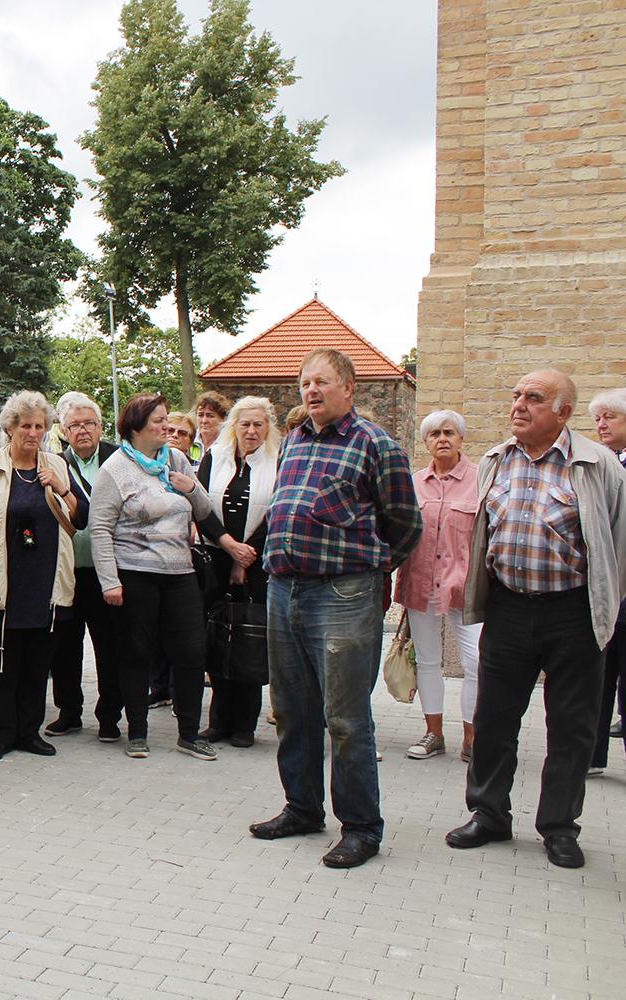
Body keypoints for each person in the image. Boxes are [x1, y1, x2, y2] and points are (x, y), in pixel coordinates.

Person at [249, 348, 422, 870]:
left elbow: (406, 525)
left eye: (322, 382)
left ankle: (362, 828)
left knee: (345, 718)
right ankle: (302, 807)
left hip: (343, 595)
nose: (311, 391)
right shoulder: (296, 440)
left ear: (348, 387)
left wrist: (366, 571)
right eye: (305, 383)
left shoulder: (377, 445)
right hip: (284, 590)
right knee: (291, 710)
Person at [446, 370, 626, 870]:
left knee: (571, 726)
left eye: (534, 398)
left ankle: (559, 827)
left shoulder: (599, 464)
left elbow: (619, 544)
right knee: (495, 717)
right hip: (508, 608)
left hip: (573, 612)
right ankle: (488, 814)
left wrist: (606, 605)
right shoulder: (495, 460)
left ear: (563, 413)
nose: (519, 405)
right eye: (516, 395)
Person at [90, 392, 247, 763]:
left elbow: (205, 509)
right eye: (158, 420)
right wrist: (109, 581)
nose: (167, 427)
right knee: (136, 653)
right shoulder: (115, 469)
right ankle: (138, 732)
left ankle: (189, 734)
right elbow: (99, 528)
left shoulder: (177, 459)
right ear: (136, 426)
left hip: (180, 571)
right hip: (135, 573)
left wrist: (190, 487)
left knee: (192, 651)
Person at [0, 390, 88, 763]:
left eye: (40, 426)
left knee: (37, 664)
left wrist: (61, 487)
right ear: (9, 428)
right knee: (2, 664)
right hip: (5, 585)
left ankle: (29, 731)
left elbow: (80, 518)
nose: (33, 433)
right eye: (26, 426)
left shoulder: (58, 466)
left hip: (46, 584)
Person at [393, 410, 482, 762]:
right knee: (428, 661)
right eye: (434, 434)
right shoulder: (413, 482)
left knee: (477, 662)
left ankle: (472, 737)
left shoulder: (481, 479)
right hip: (420, 582)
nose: (442, 439)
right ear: (426, 442)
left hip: (465, 586)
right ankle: (434, 732)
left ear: (461, 438)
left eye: (449, 432)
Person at [195, 396, 280, 747]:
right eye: (244, 424)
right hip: (216, 559)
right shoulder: (214, 458)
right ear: (233, 426)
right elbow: (199, 505)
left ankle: (245, 724)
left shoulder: (279, 462)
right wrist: (228, 546)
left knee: (249, 640)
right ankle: (218, 722)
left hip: (258, 564)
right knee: (216, 638)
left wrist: (244, 558)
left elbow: (277, 512)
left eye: (258, 424)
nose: (251, 430)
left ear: (268, 428)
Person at [43, 392, 122, 740]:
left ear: (101, 426)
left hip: (108, 573)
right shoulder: (55, 464)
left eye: (89, 423)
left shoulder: (118, 459)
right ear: (63, 430)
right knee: (64, 647)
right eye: (74, 425)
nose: (83, 430)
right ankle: (69, 711)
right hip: (68, 572)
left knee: (109, 648)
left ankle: (109, 717)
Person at [590, 389, 626, 773]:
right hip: (603, 590)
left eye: (609, 417)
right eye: (598, 418)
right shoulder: (599, 463)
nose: (601, 425)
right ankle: (592, 755)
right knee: (598, 677)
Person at [193, 391, 230, 464]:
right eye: (200, 415)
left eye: (210, 416)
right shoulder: (189, 440)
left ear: (222, 419)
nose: (204, 421)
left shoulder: (228, 444)